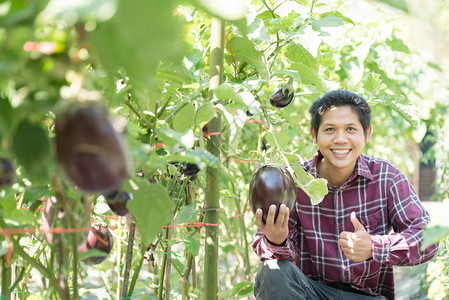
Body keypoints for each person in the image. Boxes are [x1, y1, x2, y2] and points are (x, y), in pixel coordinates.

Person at [252, 90, 439, 300]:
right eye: (330, 129)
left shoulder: (386, 177)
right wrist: (276, 241)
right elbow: (265, 248)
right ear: (314, 134)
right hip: (311, 293)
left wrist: (374, 247)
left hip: (365, 296)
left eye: (351, 129)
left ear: (367, 133)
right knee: (273, 272)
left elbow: (428, 239)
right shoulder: (295, 181)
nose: (340, 139)